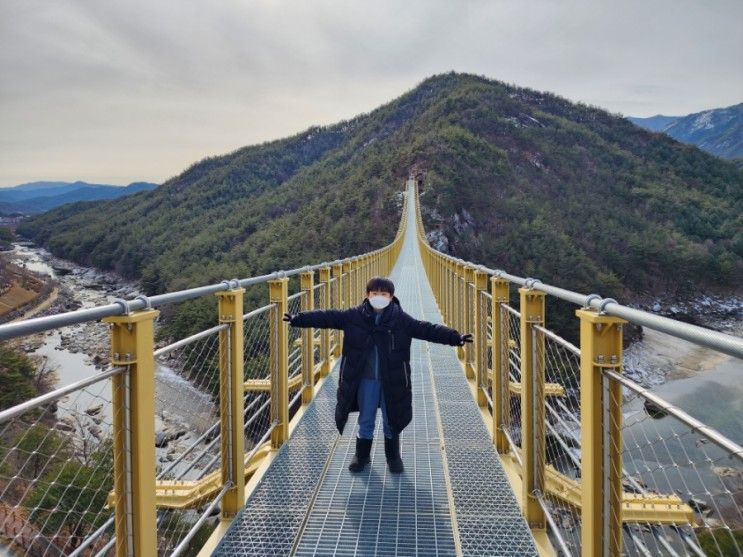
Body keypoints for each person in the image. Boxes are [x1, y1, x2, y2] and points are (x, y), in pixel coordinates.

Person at [283, 276, 472, 474]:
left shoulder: (400, 320)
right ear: (367, 295)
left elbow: (426, 329)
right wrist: (298, 319)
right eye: (375, 293)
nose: (379, 297)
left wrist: (455, 338)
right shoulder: (354, 317)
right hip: (364, 378)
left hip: (393, 379)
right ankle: (362, 456)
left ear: (391, 296)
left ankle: (393, 457)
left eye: (383, 294)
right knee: (366, 417)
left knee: (392, 418)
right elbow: (327, 317)